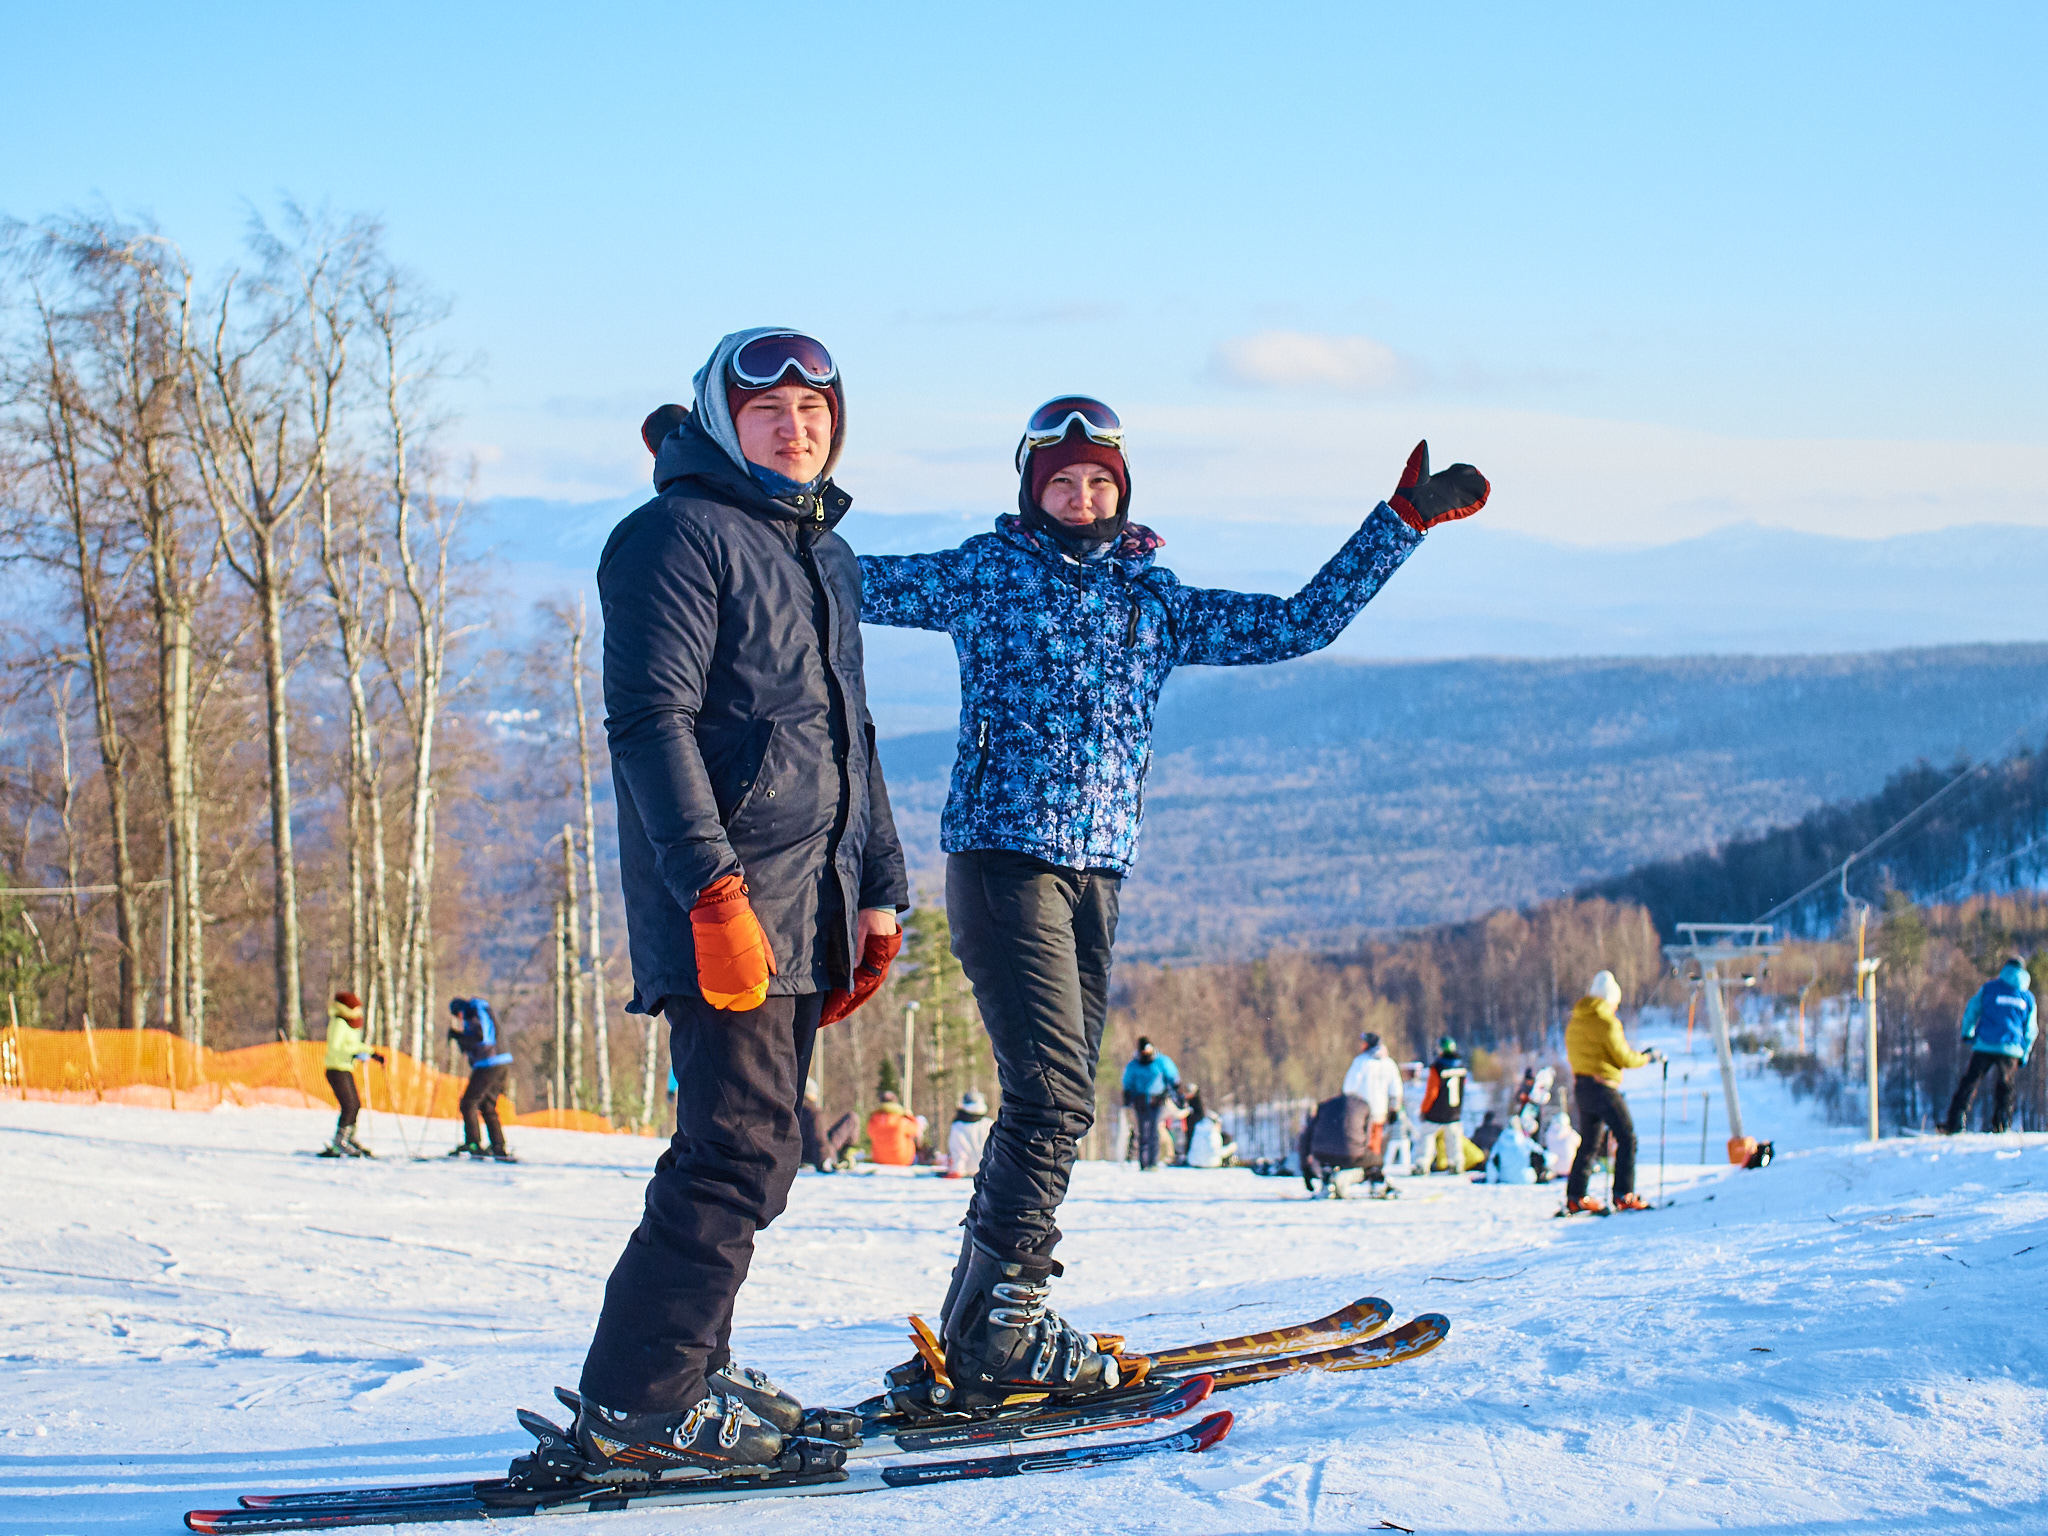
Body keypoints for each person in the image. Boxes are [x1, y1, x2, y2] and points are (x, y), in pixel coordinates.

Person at [857, 399, 1486, 1406]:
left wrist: (1397, 524)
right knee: (1056, 1096)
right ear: (1030, 491)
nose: (1078, 497)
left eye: (1096, 480)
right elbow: (842, 583)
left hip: (1097, 872)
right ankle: (1008, 1324)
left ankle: (983, 1324)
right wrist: (733, 514)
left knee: (1045, 1100)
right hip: (999, 862)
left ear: (1121, 490)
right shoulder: (983, 572)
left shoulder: (1154, 599)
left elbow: (1293, 624)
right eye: (1058, 482)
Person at [567, 330, 909, 1485]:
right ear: (721, 420)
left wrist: (879, 892)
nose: (795, 425)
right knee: (735, 1152)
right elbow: (647, 725)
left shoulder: (822, 551)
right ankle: (638, 1404)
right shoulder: (672, 536)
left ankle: (687, 1369)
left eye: (814, 409)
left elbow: (848, 739)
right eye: (766, 409)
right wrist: (712, 889)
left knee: (760, 1150)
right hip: (726, 906)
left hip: (806, 901)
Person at [1564, 970, 1661, 1214]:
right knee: (1627, 1136)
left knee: (1589, 1143)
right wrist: (1648, 1057)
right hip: (1603, 1087)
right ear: (1610, 999)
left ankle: (1576, 1196)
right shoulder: (1607, 1022)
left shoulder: (1575, 1021)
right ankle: (1624, 1194)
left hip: (1582, 1087)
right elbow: (1624, 1057)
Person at [1943, 955, 2039, 1134]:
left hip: (1985, 1044)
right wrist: (2024, 1053)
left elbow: (1972, 1010)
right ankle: (2002, 1125)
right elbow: (2031, 1030)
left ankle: (1956, 1122)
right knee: (2005, 1087)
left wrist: (1967, 1033)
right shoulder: (2027, 997)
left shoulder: (1989, 989)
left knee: (1970, 1082)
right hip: (2011, 1048)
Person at [447, 996, 514, 1162]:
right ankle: (498, 1146)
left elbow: (480, 1038)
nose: (459, 1019)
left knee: (468, 1102)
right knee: (487, 1105)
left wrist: (458, 1036)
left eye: (458, 1015)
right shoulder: (479, 1011)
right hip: (500, 1062)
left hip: (489, 1063)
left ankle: (473, 1143)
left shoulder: (474, 1011)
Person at [319, 992, 383, 1158]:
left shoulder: (349, 1023)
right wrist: (354, 1054)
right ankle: (339, 1142)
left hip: (345, 1067)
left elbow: (353, 1044)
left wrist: (372, 1053)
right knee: (349, 1105)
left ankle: (349, 1138)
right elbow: (336, 1047)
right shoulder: (338, 1023)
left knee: (355, 1104)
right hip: (336, 1068)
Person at [1341, 1031, 1403, 1185]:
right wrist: (1394, 1108)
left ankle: (1360, 1171)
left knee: (1359, 1143)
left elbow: (1349, 1087)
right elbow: (1396, 1089)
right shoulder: (1388, 1063)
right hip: (1380, 1112)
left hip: (1361, 1113)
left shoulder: (1361, 1062)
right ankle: (1374, 1172)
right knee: (1375, 1144)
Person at [1121, 1037, 1182, 1171]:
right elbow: (1127, 1081)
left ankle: (1153, 1162)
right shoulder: (1134, 1065)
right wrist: (1127, 1095)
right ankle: (1144, 1162)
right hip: (1140, 1100)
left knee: (1154, 1129)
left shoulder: (1161, 1062)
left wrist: (1176, 1088)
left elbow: (1172, 1076)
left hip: (1157, 1099)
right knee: (1143, 1130)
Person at [1419, 1036, 1470, 1174]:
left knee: (1427, 1136)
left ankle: (1423, 1164)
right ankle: (1457, 1163)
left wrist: (1424, 1109)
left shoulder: (1438, 1067)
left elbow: (1432, 1091)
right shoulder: (1461, 1066)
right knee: (1454, 1139)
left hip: (1436, 1111)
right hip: (1455, 1110)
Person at [798, 1078, 858, 1173]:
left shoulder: (792, 1110)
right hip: (818, 1155)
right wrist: (824, 1161)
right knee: (851, 1118)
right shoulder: (813, 1112)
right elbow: (819, 1139)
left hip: (799, 1155)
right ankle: (846, 1154)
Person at [1182, 1082, 1237, 1169]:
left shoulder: (1199, 1128)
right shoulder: (1211, 1133)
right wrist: (1232, 1147)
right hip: (1208, 1163)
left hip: (1192, 1160)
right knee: (1227, 1138)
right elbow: (1216, 1151)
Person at [867, 1090, 925, 1166]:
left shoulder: (874, 1119)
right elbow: (916, 1130)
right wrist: (910, 1117)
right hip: (902, 1160)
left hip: (879, 1159)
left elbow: (869, 1133)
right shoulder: (902, 1120)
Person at [947, 1089, 993, 1179]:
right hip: (987, 1172)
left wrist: (956, 1171)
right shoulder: (989, 1124)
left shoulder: (957, 1126)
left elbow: (958, 1152)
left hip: (964, 1173)